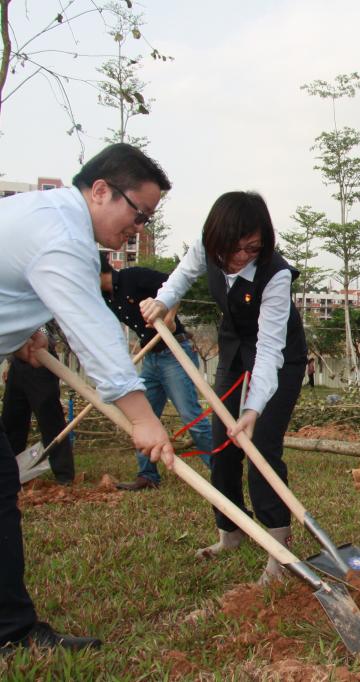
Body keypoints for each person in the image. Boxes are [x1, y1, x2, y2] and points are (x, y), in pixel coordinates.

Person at [0, 142, 175, 652]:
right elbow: (93, 330)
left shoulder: (44, 215)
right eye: (138, 214)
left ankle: (11, 627)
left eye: (147, 219)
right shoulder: (63, 236)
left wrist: (21, 332)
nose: (139, 228)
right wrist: (142, 417)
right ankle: (13, 632)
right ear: (100, 190)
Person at [141, 191, 308, 583]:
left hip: (279, 357)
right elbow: (182, 275)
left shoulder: (276, 274)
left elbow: (269, 350)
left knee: (261, 445)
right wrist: (163, 302)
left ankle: (279, 549)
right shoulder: (207, 247)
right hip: (234, 351)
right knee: (222, 443)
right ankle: (230, 531)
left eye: (253, 248)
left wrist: (252, 409)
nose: (242, 257)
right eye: (234, 249)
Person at [99, 255, 214, 490]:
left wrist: (169, 317)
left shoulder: (132, 277)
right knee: (142, 416)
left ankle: (222, 471)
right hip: (151, 358)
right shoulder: (106, 298)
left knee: (191, 416)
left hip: (174, 353)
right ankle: (147, 476)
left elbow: (173, 284)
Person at [2, 324, 75, 484]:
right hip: (18, 363)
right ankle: (10, 471)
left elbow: (55, 325)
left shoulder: (40, 312)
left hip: (42, 360)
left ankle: (64, 474)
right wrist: (10, 362)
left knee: (49, 418)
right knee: (12, 418)